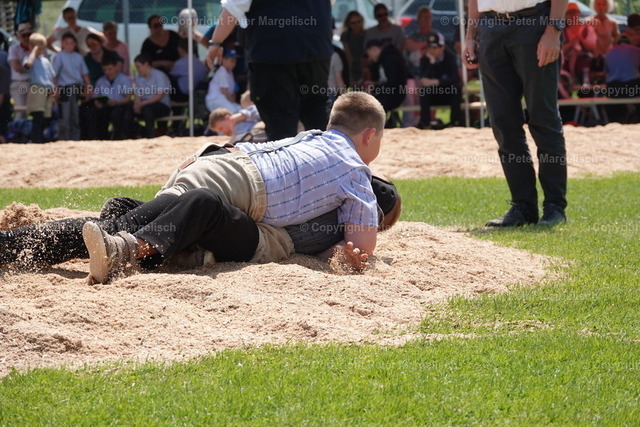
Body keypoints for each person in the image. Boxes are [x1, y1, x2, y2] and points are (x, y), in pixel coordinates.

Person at [0, 91, 390, 284]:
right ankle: (121, 248)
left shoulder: (310, 138)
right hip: (235, 185)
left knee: (128, 220)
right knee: (132, 224)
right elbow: (361, 246)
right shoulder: (355, 170)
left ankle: (12, 246)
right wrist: (346, 249)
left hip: (217, 167)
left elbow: (251, 148)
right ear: (370, 135)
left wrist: (205, 156)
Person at [463, 0, 568, 227]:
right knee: (503, 123)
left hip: (535, 24)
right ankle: (523, 207)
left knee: (543, 118)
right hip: (490, 27)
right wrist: (470, 36)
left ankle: (555, 207)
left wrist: (553, 31)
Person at [206, 0, 333, 141]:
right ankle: (325, 152)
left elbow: (234, 6)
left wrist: (216, 42)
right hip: (317, 47)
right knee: (316, 109)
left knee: (280, 120)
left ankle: (288, 154)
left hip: (272, 51)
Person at [52, 32, 92, 141]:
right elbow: (54, 75)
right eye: (66, 43)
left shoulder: (78, 57)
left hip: (76, 88)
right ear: (62, 44)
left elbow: (84, 74)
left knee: (75, 115)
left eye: (71, 43)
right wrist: (55, 89)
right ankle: (63, 138)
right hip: (65, 88)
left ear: (75, 44)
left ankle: (75, 138)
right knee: (65, 115)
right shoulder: (59, 57)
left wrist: (88, 87)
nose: (69, 45)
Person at [417, 32, 462, 129]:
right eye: (429, 48)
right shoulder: (425, 59)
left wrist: (437, 82)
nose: (431, 51)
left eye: (434, 48)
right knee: (424, 91)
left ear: (442, 47)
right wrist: (432, 63)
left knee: (456, 89)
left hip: (447, 94)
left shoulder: (450, 58)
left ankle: (455, 122)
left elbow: (455, 78)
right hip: (433, 95)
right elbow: (423, 80)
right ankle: (425, 123)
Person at [88, 56, 134, 140]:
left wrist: (116, 102)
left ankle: (119, 137)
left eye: (110, 69)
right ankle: (100, 138)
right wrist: (97, 103)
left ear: (116, 67)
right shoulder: (100, 81)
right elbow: (96, 96)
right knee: (94, 113)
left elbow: (128, 98)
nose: (107, 72)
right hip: (105, 106)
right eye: (105, 70)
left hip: (120, 106)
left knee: (118, 113)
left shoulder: (124, 79)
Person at [363, 39, 408, 123]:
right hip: (389, 93)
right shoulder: (384, 59)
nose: (369, 57)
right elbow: (386, 81)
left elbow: (393, 84)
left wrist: (374, 88)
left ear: (374, 49)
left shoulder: (390, 59)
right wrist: (374, 84)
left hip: (395, 95)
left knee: (370, 105)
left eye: (369, 54)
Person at [23, 33, 55, 144]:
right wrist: (33, 50)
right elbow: (28, 64)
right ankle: (35, 139)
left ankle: (41, 138)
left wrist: (54, 90)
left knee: (46, 116)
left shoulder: (46, 61)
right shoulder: (28, 58)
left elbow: (51, 77)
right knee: (37, 114)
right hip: (37, 88)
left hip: (47, 89)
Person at [132, 53, 172, 138]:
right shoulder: (138, 78)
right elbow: (137, 94)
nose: (137, 69)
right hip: (144, 105)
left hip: (161, 105)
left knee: (148, 109)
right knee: (126, 109)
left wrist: (142, 104)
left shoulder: (159, 75)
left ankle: (151, 135)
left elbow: (160, 95)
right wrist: (137, 104)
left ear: (146, 64)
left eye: (138, 67)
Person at [562, 2, 597, 84]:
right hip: (566, 62)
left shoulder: (587, 29)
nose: (572, 15)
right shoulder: (562, 31)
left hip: (584, 62)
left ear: (579, 14)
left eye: (575, 12)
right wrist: (571, 44)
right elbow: (559, 50)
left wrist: (580, 39)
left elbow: (593, 48)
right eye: (570, 13)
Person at [170, 37, 208, 102]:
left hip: (182, 94)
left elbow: (172, 75)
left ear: (180, 49)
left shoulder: (180, 63)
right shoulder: (201, 64)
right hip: (197, 92)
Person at [7, 22, 33, 120]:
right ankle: (17, 129)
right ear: (18, 37)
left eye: (29, 35)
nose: (26, 38)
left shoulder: (36, 49)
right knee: (21, 111)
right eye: (23, 35)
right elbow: (16, 67)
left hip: (33, 84)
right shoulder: (14, 49)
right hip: (19, 84)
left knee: (35, 111)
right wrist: (32, 68)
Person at [205, 47, 241, 113]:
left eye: (235, 61)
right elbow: (224, 91)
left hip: (223, 99)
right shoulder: (222, 71)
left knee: (240, 110)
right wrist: (233, 102)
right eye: (232, 61)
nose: (234, 64)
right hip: (215, 100)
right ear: (223, 60)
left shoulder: (230, 72)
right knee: (234, 112)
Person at [340, 10, 367, 85]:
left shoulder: (366, 34)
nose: (356, 25)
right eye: (353, 22)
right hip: (352, 66)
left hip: (365, 66)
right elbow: (348, 56)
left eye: (358, 21)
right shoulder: (346, 35)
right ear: (348, 23)